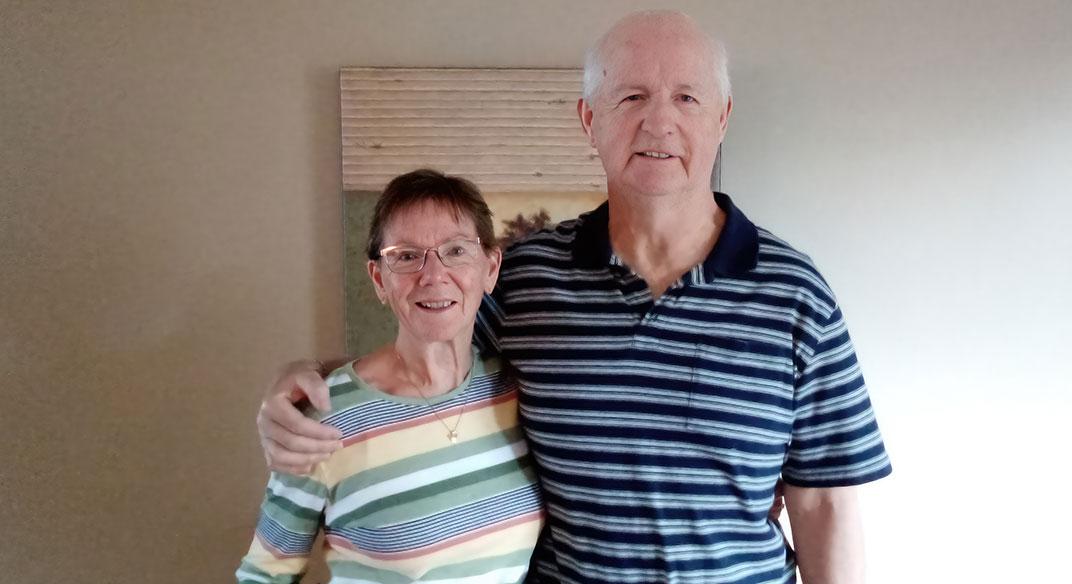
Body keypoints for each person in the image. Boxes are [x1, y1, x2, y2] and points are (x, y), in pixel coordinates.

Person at [256, 11, 891, 584]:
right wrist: (308, 379)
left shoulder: (794, 293)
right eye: (631, 96)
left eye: (687, 97)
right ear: (590, 119)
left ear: (721, 116)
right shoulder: (527, 275)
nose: (659, 121)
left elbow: (827, 502)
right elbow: (424, 370)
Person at [237, 169, 544, 583]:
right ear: (379, 279)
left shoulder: (516, 392)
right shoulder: (326, 416)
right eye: (406, 255)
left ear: (490, 268)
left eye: (455, 250)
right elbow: (264, 574)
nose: (433, 275)